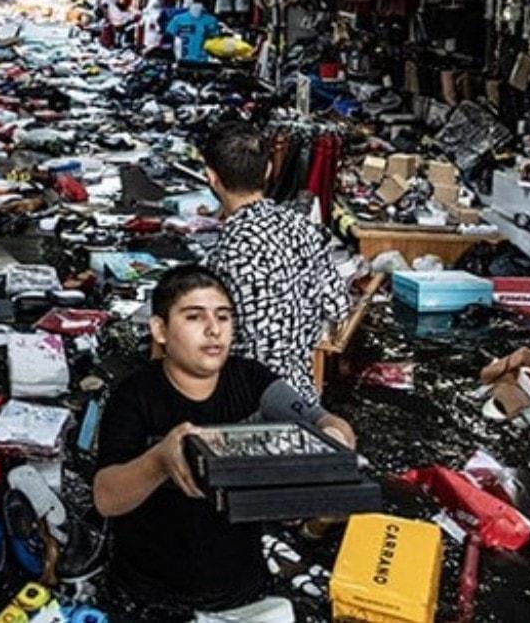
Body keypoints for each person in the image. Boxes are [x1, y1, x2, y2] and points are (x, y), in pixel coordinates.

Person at [93, 265, 356, 622]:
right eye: (193, 317)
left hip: (243, 589)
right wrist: (157, 461)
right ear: (160, 330)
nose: (214, 329)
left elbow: (323, 420)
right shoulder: (135, 397)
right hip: (152, 595)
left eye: (223, 316)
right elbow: (106, 499)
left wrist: (334, 443)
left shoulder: (251, 381)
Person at [200, 124, 351, 408]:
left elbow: (211, 340)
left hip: (247, 404)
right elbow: (338, 306)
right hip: (302, 400)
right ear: (269, 169)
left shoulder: (228, 249)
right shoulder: (304, 227)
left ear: (212, 178)